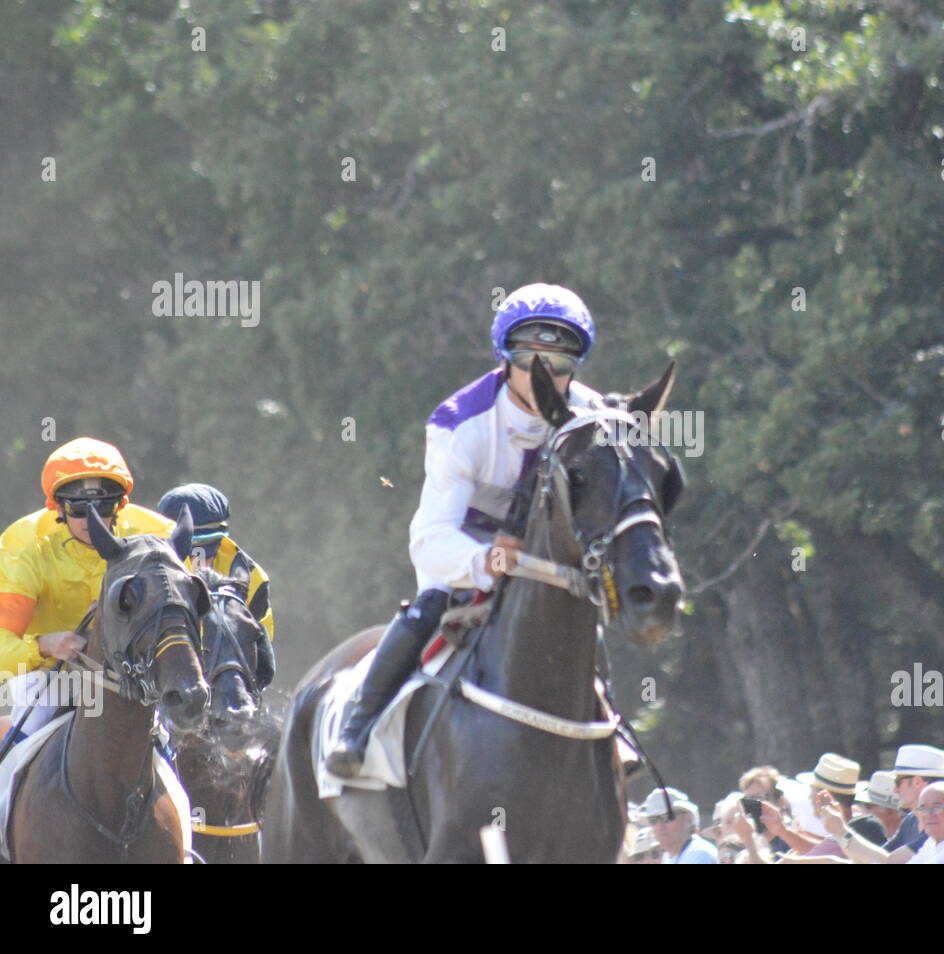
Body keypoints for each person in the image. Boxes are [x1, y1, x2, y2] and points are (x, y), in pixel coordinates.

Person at [326, 283, 604, 776]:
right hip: (469, 547)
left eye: (557, 365)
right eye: (529, 359)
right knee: (430, 603)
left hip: (546, 552)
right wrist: (485, 562)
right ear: (504, 359)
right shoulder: (460, 422)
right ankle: (358, 725)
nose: (544, 378)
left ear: (575, 368)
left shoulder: (595, 418)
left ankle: (612, 733)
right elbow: (429, 537)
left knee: (585, 613)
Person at [0, 438, 178, 744]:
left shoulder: (157, 536)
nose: (91, 520)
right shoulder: (24, 546)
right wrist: (43, 645)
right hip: (49, 675)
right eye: (78, 508)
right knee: (33, 727)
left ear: (121, 505)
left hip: (132, 675)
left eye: (104, 505)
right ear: (58, 508)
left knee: (174, 741)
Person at [156, 483, 273, 639]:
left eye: (207, 552)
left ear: (220, 542)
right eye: (188, 555)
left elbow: (261, 639)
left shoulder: (252, 578)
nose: (199, 563)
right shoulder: (145, 566)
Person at [639, 787, 718, 864]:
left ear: (688, 818)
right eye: (653, 820)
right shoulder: (668, 857)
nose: (659, 826)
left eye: (667, 817)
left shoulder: (700, 853)